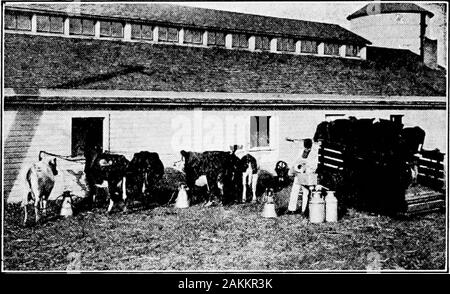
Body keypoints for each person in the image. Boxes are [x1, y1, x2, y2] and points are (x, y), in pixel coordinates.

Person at [287, 138, 321, 215]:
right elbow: (296, 161)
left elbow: (314, 166)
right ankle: (291, 209)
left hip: (308, 174)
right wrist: (297, 167)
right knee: (295, 189)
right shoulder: (301, 152)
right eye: (305, 147)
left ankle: (304, 210)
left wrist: (307, 167)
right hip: (299, 173)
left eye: (308, 147)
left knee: (306, 192)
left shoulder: (314, 154)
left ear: (311, 147)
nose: (306, 149)